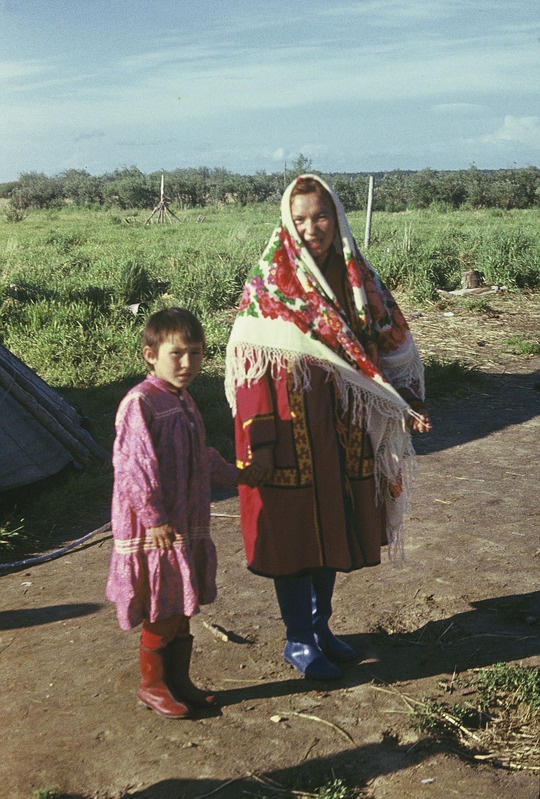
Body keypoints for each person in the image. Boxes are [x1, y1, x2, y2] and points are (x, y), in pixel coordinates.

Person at [225, 174, 431, 681]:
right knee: (293, 529)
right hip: (289, 423)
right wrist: (261, 441)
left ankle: (320, 628)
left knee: (335, 521)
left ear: (336, 216)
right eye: (300, 219)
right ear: (286, 223)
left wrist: (403, 400)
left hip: (343, 423)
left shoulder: (357, 278)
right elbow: (251, 366)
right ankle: (297, 639)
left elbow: (381, 348)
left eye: (320, 216)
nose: (311, 227)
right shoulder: (272, 282)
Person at [106, 307, 252, 718]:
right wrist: (154, 518)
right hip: (157, 527)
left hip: (183, 523)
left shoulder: (183, 400)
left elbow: (198, 456)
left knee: (179, 608)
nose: (187, 363)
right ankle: (152, 685)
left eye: (196, 353)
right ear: (150, 354)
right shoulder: (141, 402)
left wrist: (237, 474)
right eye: (177, 354)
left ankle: (178, 681)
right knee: (162, 606)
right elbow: (135, 466)